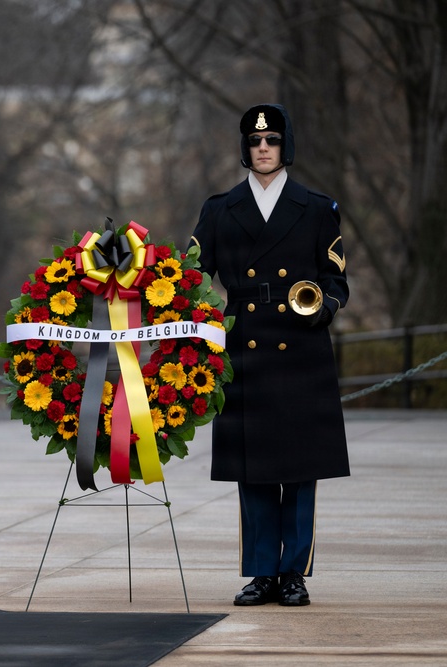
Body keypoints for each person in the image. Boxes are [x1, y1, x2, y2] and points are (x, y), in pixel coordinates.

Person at [189, 103, 349, 607]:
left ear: (286, 147)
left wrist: (321, 304)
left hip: (301, 348)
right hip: (243, 346)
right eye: (255, 141)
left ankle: (294, 572)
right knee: (252, 467)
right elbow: (192, 278)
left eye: (273, 140)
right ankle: (261, 572)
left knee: (300, 470)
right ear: (245, 149)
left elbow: (336, 281)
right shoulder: (219, 209)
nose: (263, 148)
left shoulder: (318, 207)